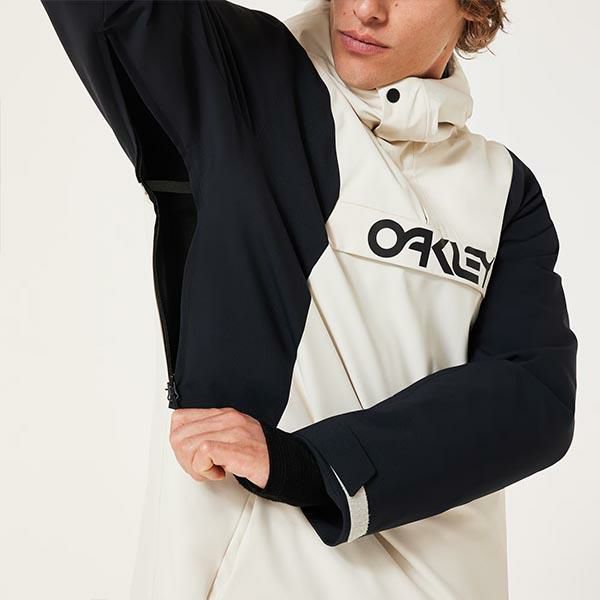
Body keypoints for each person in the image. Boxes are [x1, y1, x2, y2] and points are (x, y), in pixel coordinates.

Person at [40, 1, 577, 598]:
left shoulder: (502, 187)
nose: (366, 9)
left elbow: (536, 400)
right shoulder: (245, 75)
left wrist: (313, 465)